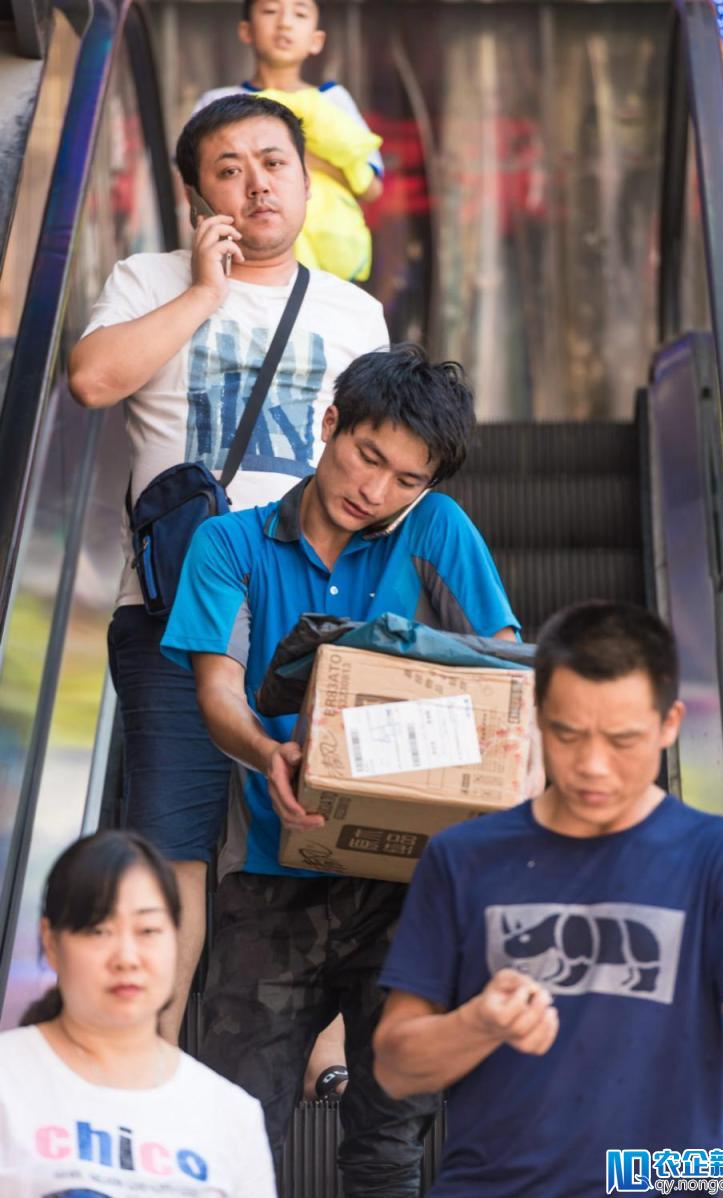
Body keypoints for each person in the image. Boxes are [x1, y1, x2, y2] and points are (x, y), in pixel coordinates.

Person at [160, 343, 521, 1194]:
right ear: (330, 425)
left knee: (389, 1139)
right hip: (270, 870)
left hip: (409, 884)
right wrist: (272, 752)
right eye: (368, 456)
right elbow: (216, 691)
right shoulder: (228, 543)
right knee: (236, 1124)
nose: (377, 490)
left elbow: (505, 670)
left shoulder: (437, 530)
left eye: (406, 479)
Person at [67, 93, 389, 1046]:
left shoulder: (352, 311)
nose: (256, 185)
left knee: (319, 824)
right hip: (171, 609)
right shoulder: (146, 277)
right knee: (176, 847)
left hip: (314, 608)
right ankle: (155, 1056)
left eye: (273, 162)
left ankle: (323, 1045)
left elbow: (382, 469)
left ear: (304, 174)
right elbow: (90, 381)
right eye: (228, 169)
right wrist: (205, 295)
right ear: (195, 191)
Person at [373, 600, 723, 1198]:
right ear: (538, 719)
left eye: (623, 740)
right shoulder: (463, 858)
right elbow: (394, 1069)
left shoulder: (722, 858)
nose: (593, 766)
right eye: (568, 736)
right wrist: (478, 1023)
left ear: (670, 723)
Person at [0, 829, 276, 1198]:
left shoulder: (231, 1112)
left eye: (148, 930)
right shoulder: (9, 1077)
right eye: (99, 930)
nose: (127, 957)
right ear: (51, 942)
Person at [193, 0, 383, 281]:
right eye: (270, 11)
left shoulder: (332, 100)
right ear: (246, 31)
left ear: (316, 41)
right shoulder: (218, 102)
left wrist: (298, 161)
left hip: (330, 272)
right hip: (238, 267)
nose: (284, 22)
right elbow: (190, 188)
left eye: (300, 13)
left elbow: (372, 188)